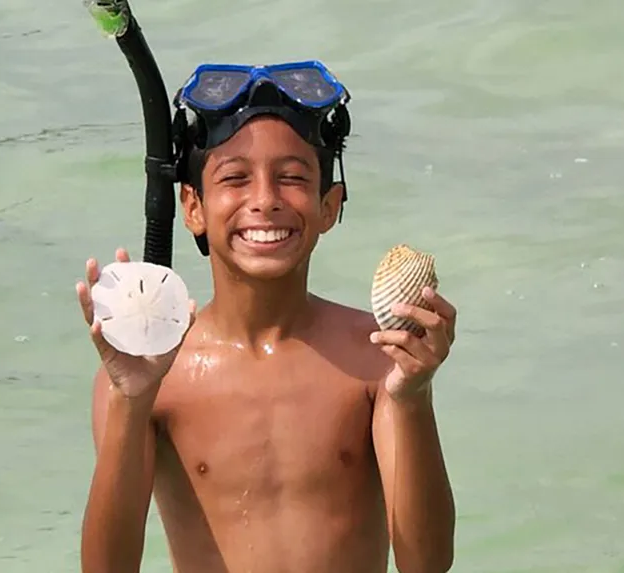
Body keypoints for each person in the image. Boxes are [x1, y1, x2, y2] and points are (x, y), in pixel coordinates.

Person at [76, 61, 458, 573]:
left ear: (329, 205)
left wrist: (413, 397)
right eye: (235, 178)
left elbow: (427, 563)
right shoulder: (149, 375)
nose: (265, 201)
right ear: (192, 205)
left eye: (292, 178)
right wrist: (130, 400)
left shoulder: (375, 360)